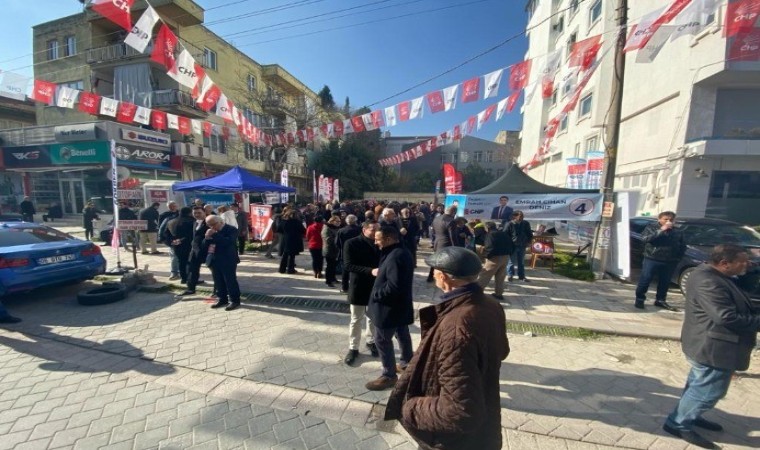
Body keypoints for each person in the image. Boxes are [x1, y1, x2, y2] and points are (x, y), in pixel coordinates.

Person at [385, 246, 509, 450]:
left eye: (434, 272)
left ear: (443, 277)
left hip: (450, 441)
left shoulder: (456, 325)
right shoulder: (490, 304)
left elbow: (459, 412)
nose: (433, 275)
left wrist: (411, 408)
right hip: (483, 426)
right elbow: (502, 351)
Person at [663, 244, 759, 449]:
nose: (747, 264)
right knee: (709, 392)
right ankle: (678, 423)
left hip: (706, 343)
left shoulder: (712, 273)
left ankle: (689, 415)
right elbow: (725, 316)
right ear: (724, 263)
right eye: (742, 262)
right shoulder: (709, 281)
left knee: (698, 385)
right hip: (714, 346)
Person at [365, 226, 415, 391]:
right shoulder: (399, 251)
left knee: (382, 340)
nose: (375, 241)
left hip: (389, 308)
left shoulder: (396, 256)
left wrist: (376, 295)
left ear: (388, 238)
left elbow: (394, 286)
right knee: (402, 332)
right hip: (399, 307)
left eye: (378, 239)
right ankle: (407, 363)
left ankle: (389, 375)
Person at [343, 222, 381, 365]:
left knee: (372, 318)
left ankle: (371, 341)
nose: (376, 232)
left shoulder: (380, 242)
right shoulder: (352, 243)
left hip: (376, 286)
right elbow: (348, 265)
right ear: (364, 230)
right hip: (358, 285)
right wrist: (370, 271)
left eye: (378, 229)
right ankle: (353, 348)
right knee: (356, 319)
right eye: (373, 229)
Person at [635, 211, 686, 311]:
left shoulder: (678, 231)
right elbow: (645, 239)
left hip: (670, 260)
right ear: (659, 219)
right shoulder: (652, 227)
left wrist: (678, 257)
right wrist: (661, 231)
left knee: (665, 282)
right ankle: (640, 299)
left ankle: (660, 300)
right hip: (652, 258)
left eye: (671, 220)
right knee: (646, 279)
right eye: (665, 219)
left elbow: (682, 245)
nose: (668, 221)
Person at [204, 215, 242, 311]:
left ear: (220, 221)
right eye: (209, 225)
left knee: (230, 280)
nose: (212, 227)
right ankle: (222, 299)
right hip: (214, 259)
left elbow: (228, 242)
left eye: (213, 224)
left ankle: (235, 300)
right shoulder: (211, 231)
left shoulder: (231, 229)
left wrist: (214, 234)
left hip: (228, 259)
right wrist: (206, 238)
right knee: (218, 280)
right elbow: (204, 245)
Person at [477, 221, 514, 300]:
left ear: (487, 228)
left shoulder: (490, 235)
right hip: (506, 257)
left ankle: (476, 293)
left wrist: (486, 255)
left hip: (495, 258)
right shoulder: (504, 233)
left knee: (484, 276)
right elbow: (511, 244)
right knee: (500, 277)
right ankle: (499, 294)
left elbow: (490, 247)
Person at [180, 207, 209, 296]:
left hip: (207, 251)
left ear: (204, 212)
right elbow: (193, 236)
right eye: (195, 213)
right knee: (191, 270)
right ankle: (191, 289)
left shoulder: (209, 223)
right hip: (194, 251)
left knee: (216, 272)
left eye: (199, 213)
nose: (196, 215)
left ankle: (218, 291)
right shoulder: (195, 222)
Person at [427, 205, 458, 282]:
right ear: (454, 212)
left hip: (437, 242)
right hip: (446, 243)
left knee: (436, 259)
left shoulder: (436, 218)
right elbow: (452, 236)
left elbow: (433, 231)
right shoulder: (451, 221)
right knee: (446, 262)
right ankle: (444, 278)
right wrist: (456, 248)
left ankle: (431, 276)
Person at [167, 207, 194, 285]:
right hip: (189, 244)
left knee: (181, 262)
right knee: (191, 262)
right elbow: (192, 234)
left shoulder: (171, 221)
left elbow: (166, 234)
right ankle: (191, 278)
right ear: (189, 213)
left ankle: (183, 279)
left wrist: (171, 242)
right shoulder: (191, 221)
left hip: (176, 245)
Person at [336, 214, 362, 293]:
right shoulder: (360, 230)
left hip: (345, 252)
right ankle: (356, 287)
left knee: (345, 271)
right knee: (357, 270)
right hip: (358, 252)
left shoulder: (341, 230)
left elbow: (337, 243)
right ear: (355, 221)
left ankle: (345, 288)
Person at [506, 210, 532, 282]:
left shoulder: (526, 223)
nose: (521, 217)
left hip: (522, 245)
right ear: (514, 216)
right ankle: (510, 275)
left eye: (522, 216)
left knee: (521, 262)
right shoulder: (510, 224)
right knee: (511, 261)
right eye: (519, 216)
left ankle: (521, 276)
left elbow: (529, 233)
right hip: (512, 245)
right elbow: (505, 234)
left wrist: (529, 242)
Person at [278, 209, 305, 274]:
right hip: (294, 240)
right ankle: (290, 269)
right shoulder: (297, 222)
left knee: (285, 255)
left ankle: (282, 269)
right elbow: (303, 230)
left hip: (285, 240)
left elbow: (279, 229)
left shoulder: (284, 221)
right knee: (292, 256)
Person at [158, 202, 180, 280]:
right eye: (171, 206)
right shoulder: (164, 215)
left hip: (181, 239)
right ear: (168, 207)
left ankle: (181, 272)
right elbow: (161, 227)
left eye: (174, 206)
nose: (173, 207)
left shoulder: (180, 213)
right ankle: (174, 272)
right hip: (171, 239)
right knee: (174, 256)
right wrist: (162, 238)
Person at [322, 216, 341, 288]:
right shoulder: (327, 228)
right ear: (332, 221)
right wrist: (338, 240)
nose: (339, 223)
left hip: (336, 250)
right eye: (337, 221)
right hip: (329, 250)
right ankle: (328, 280)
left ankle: (333, 278)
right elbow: (328, 240)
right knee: (330, 266)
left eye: (339, 221)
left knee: (334, 265)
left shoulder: (336, 228)